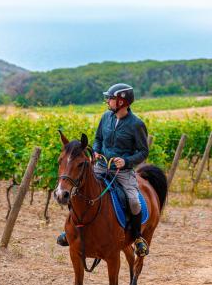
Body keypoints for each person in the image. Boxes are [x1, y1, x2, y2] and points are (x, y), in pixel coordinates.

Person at [57, 83, 150, 257]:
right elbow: (98, 139)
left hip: (122, 172)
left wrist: (127, 160)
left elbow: (144, 151)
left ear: (122, 102)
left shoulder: (136, 124)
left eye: (111, 98)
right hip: (100, 166)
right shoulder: (105, 117)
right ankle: (69, 232)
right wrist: (97, 151)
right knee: (76, 190)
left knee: (134, 201)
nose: (108, 100)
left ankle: (137, 238)